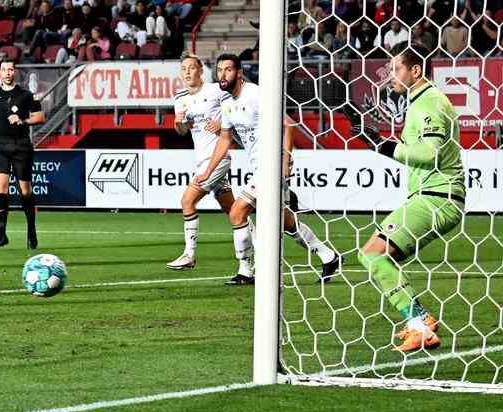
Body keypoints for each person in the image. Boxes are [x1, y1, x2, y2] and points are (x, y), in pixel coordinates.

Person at [198, 56, 340, 286]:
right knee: (285, 222)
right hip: (258, 168)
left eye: (228, 70)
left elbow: (289, 124)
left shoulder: (256, 94)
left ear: (239, 73)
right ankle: (328, 256)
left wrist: (285, 158)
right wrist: (208, 171)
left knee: (237, 212)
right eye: (219, 70)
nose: (222, 75)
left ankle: (245, 271)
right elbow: (225, 139)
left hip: (271, 166)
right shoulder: (226, 103)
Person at [360, 50, 465, 352]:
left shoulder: (430, 102)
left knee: (373, 254)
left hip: (438, 197)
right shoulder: (420, 102)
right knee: (380, 257)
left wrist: (383, 145)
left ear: (416, 71)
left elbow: (430, 153)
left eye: (396, 69)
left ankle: (419, 324)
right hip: (433, 196)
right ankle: (420, 323)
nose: (390, 75)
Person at [167, 55, 236, 270]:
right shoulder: (180, 97)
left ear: (201, 71)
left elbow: (236, 107)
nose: (187, 72)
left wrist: (223, 123)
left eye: (191, 68)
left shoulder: (216, 90)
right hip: (202, 159)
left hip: (217, 158)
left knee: (187, 201)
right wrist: (180, 124)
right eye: (183, 69)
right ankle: (256, 243)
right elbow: (181, 131)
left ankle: (189, 255)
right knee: (234, 211)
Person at [0, 60, 45, 249]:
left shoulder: (26, 95)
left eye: (11, 69)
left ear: (14, 72)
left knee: (25, 190)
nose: (8, 72)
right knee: (1, 186)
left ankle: (31, 231)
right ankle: (1, 234)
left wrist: (22, 120)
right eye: (4, 69)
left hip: (21, 145)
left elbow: (40, 117)